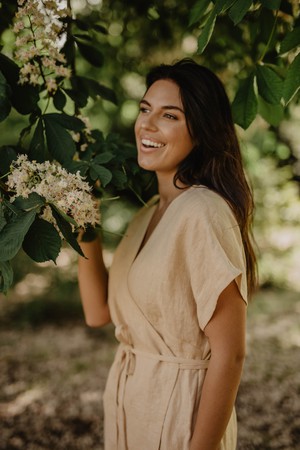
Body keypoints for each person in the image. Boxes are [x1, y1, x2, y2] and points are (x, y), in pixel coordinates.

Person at [77, 58, 257, 450]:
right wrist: (80, 214)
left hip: (181, 413)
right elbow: (97, 314)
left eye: (169, 115)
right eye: (145, 110)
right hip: (129, 404)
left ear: (201, 129)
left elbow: (231, 354)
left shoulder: (204, 212)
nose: (147, 124)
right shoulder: (147, 215)